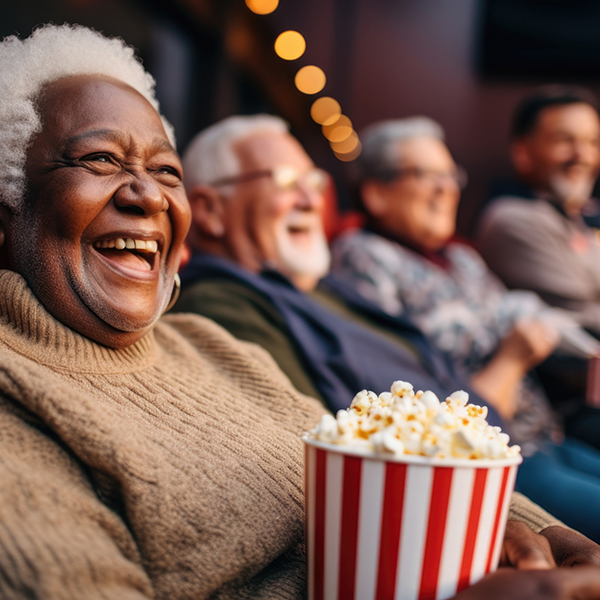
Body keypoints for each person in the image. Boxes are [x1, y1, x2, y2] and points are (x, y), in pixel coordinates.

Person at [7, 25, 588, 600]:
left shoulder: (212, 345)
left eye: (166, 171)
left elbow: (371, 448)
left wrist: (530, 526)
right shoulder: (22, 404)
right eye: (100, 158)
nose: (150, 196)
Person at [177, 114, 600, 542]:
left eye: (316, 182)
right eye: (287, 180)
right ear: (210, 209)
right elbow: (309, 447)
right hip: (460, 487)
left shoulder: (320, 287)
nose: (311, 198)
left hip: (509, 450)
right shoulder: (223, 300)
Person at [477, 87, 600, 337]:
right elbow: (582, 310)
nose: (582, 155)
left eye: (592, 142)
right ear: (522, 153)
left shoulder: (577, 216)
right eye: (565, 140)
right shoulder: (509, 218)